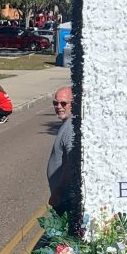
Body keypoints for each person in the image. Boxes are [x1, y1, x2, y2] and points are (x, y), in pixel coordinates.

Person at [47, 86, 74, 215]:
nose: (59, 106)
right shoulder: (68, 124)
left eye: (64, 103)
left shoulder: (71, 128)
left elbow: (72, 162)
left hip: (65, 199)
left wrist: (59, 191)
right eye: (55, 103)